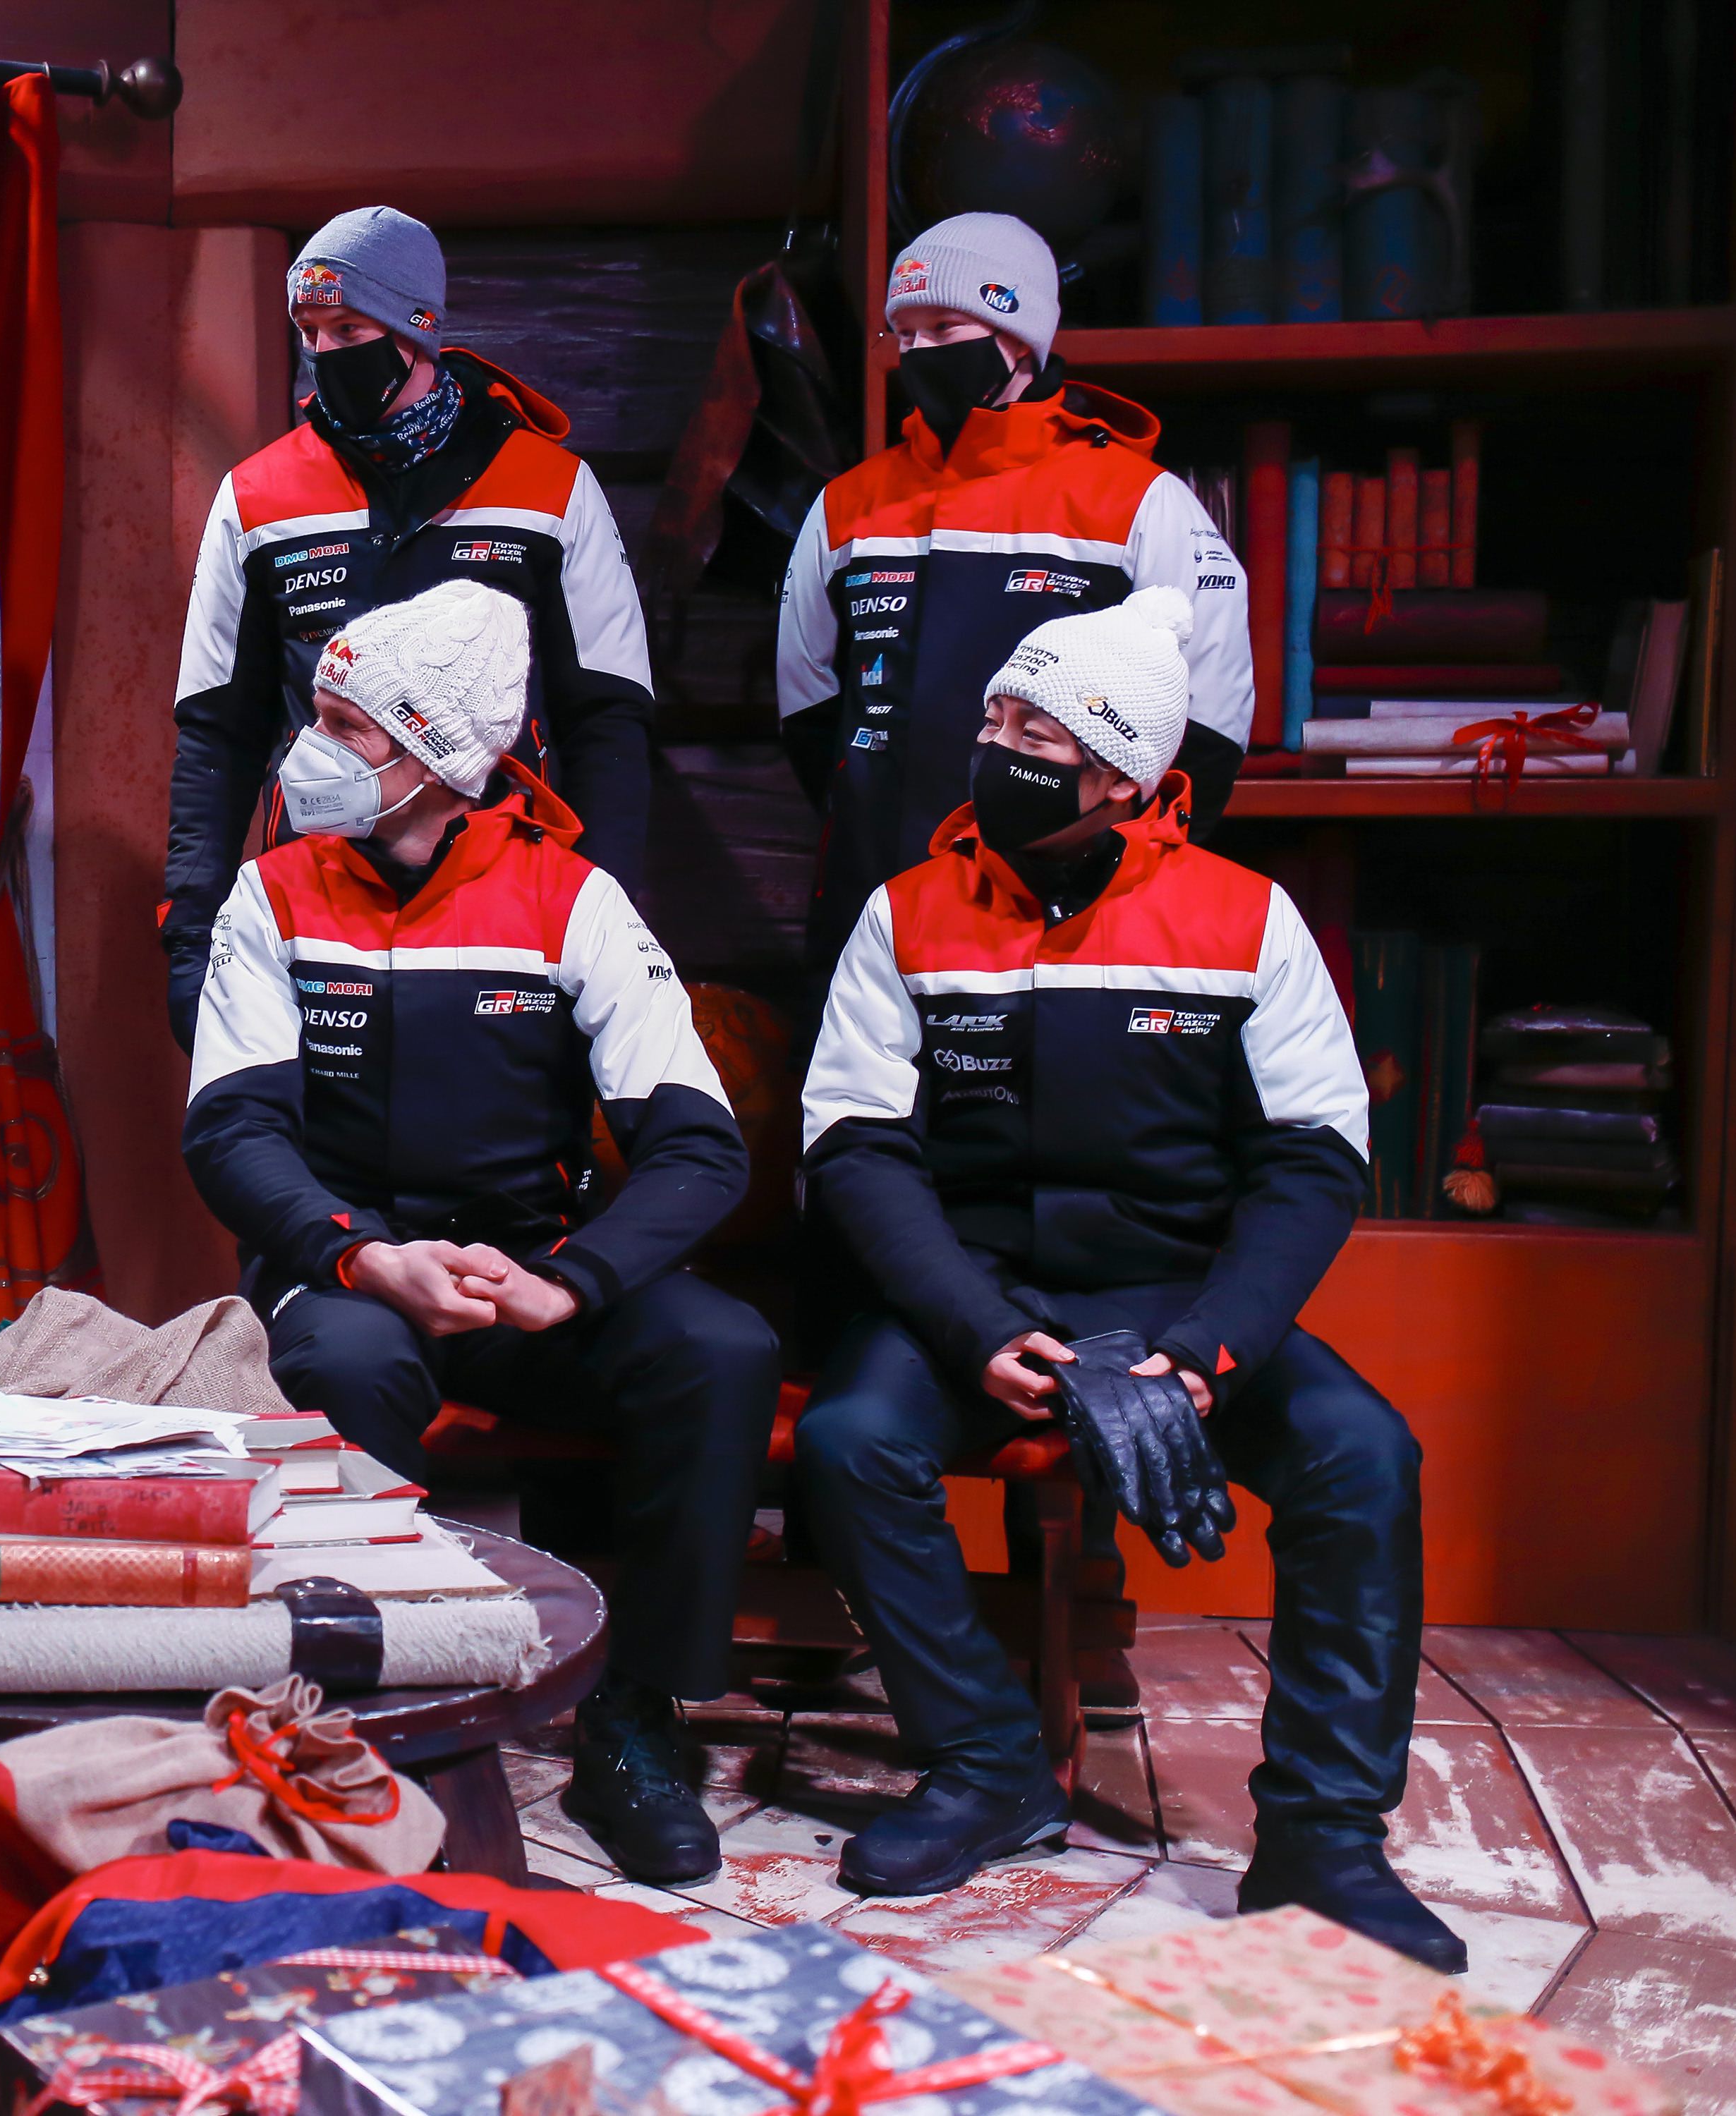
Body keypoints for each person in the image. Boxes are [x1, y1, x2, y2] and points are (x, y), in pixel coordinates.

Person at [787, 587, 1461, 1973]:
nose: (996, 745)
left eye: (1034, 730)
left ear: (1122, 773)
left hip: (1179, 1301)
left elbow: (1314, 1158)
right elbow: (855, 1146)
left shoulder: (1247, 919)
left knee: (1364, 1456)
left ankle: (1325, 1838)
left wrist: (1213, 1352)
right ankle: (989, 1768)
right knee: (850, 1442)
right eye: (994, 718)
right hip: (972, 1294)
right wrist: (972, 1330)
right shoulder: (904, 914)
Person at [183, 578, 778, 1887]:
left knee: (720, 1352)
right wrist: (358, 1253)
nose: (313, 749)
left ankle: (638, 1722)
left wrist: (575, 1281)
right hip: (347, 1270)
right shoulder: (271, 896)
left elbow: (700, 1145)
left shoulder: (574, 900)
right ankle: (373, 1724)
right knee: (342, 1366)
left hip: (527, 1272)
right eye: (317, 715)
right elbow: (231, 1131)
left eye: (349, 726)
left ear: (439, 755)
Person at [164, 205, 655, 1050]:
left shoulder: (551, 488)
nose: (324, 353)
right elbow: (217, 734)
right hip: (315, 899)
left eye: (348, 329)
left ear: (417, 329)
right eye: (309, 333)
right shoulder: (256, 497)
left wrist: (607, 922)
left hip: (509, 902)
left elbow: (608, 719)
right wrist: (191, 935)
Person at [776, 211, 1256, 975]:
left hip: (1077, 918)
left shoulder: (1137, 500)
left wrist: (1121, 870)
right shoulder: (848, 506)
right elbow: (808, 713)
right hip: (875, 898)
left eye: (945, 328)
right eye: (905, 335)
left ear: (1020, 338)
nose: (920, 353)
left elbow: (1209, 725)